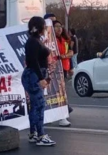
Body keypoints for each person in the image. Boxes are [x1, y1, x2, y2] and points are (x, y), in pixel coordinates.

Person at [22, 16, 55, 146]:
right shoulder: (32, 42)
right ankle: (41, 136)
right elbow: (33, 61)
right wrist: (41, 79)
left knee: (35, 105)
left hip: (35, 75)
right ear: (39, 27)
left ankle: (33, 133)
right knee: (40, 104)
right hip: (33, 76)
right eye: (44, 26)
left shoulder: (36, 40)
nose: (46, 28)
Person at [44, 13, 72, 127]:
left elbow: (71, 51)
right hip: (49, 70)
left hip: (62, 69)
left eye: (60, 26)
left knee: (60, 93)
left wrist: (64, 57)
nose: (58, 28)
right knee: (50, 94)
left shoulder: (64, 39)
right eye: (55, 26)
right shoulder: (47, 39)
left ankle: (62, 116)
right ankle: (51, 115)